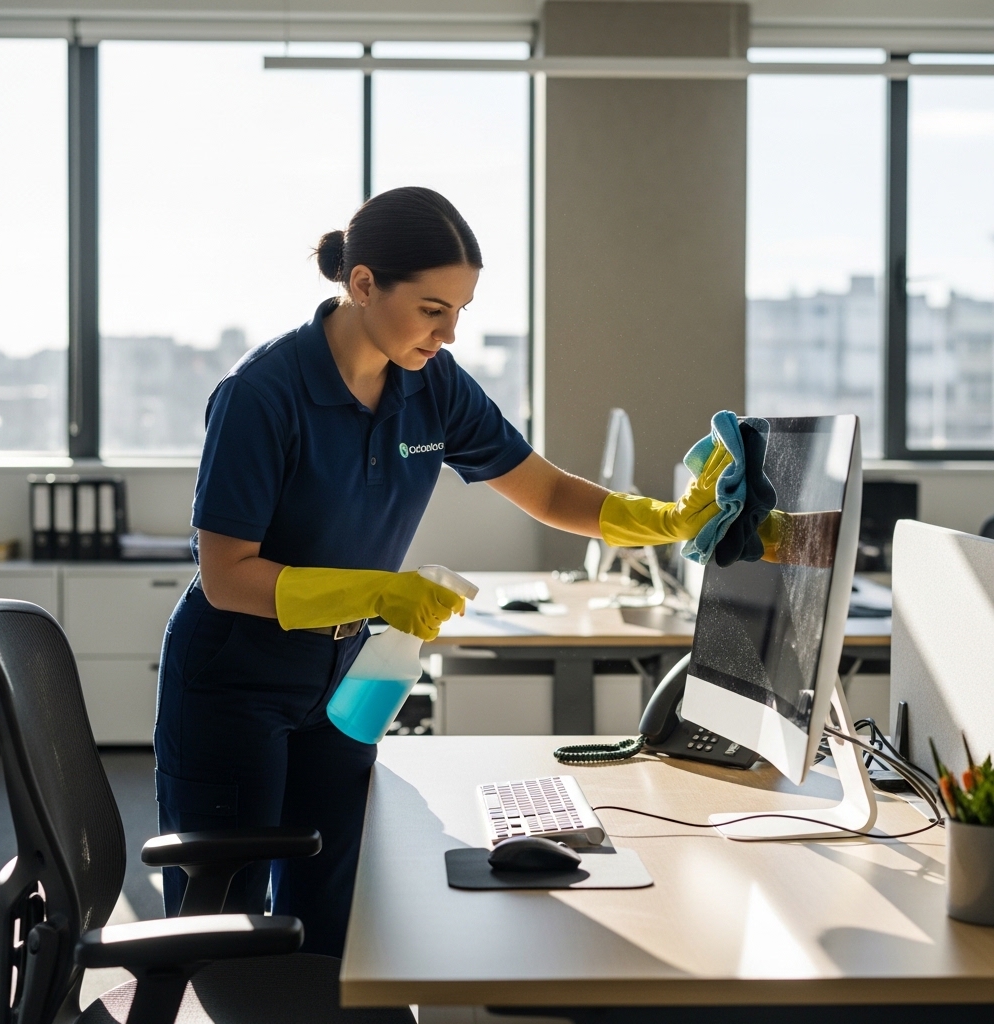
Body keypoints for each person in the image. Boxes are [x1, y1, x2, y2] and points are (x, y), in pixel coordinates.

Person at [153, 186, 730, 954]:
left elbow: (548, 489)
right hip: (233, 681)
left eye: (460, 309)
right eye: (432, 308)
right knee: (226, 928)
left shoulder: (433, 386)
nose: (450, 331)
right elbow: (227, 574)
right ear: (362, 285)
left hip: (343, 682)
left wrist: (660, 519)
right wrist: (379, 590)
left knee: (332, 913)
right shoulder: (263, 395)